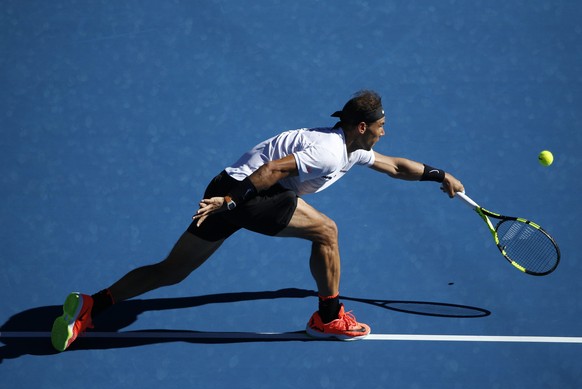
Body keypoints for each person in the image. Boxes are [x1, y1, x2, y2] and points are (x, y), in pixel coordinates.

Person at [51, 90, 464, 351]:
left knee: (173, 271)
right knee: (327, 231)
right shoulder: (328, 151)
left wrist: (439, 175)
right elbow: (272, 172)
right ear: (362, 126)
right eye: (381, 127)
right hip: (248, 193)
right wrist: (231, 205)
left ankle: (93, 305)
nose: (383, 134)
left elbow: (395, 167)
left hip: (226, 185)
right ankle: (328, 317)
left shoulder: (350, 147)